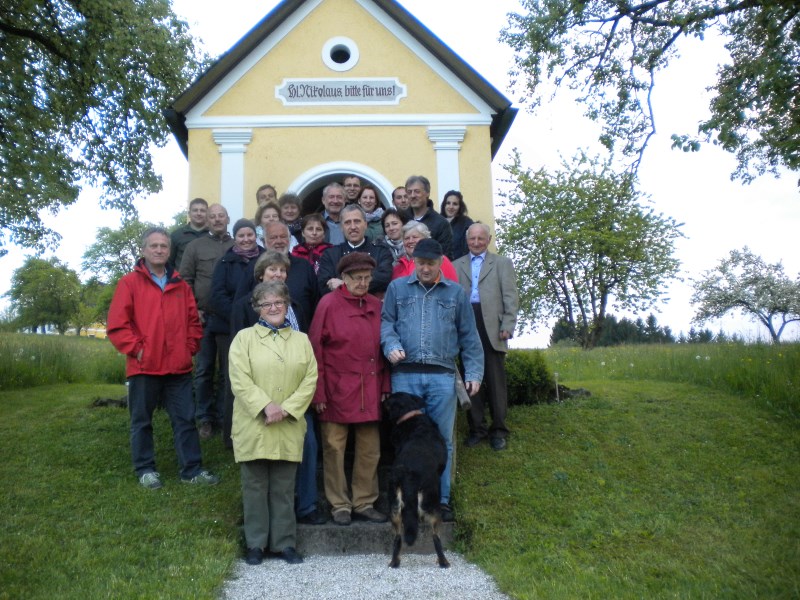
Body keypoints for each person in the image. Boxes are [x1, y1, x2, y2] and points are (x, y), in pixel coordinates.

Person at [107, 227, 219, 489]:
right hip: (144, 366)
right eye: (154, 246)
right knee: (141, 421)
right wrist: (138, 349)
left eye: (164, 246)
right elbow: (117, 325)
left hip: (177, 367)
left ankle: (191, 470)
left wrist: (188, 347)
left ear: (170, 251)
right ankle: (145, 469)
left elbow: (193, 321)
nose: (159, 250)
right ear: (143, 250)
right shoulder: (129, 283)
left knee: (185, 420)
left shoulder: (179, 284)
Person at [381, 238, 483, 522]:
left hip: (442, 377)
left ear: (441, 263)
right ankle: (405, 497)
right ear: (413, 261)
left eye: (431, 263)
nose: (425, 269)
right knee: (405, 441)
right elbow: (386, 322)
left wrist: (474, 372)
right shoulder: (397, 288)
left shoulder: (456, 294)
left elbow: (469, 336)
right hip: (405, 376)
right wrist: (390, 345)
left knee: (443, 441)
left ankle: (441, 499)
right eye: (421, 263)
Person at [230, 252, 326, 526]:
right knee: (260, 466)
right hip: (257, 402)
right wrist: (263, 404)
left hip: (293, 400)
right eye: (272, 270)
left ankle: (305, 507)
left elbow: (306, 357)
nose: (278, 274)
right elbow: (236, 364)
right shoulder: (244, 307)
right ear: (260, 274)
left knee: (306, 448)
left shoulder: (295, 306)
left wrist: (293, 404)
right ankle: (262, 523)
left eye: (283, 271)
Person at [309, 253, 389, 526]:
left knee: (370, 449)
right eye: (358, 278)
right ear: (343, 278)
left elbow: (386, 347)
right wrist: (318, 393)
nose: (364, 283)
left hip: (370, 387)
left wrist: (386, 385)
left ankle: (364, 501)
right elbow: (314, 351)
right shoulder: (327, 304)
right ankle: (339, 504)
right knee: (333, 449)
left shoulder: (377, 306)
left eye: (368, 278)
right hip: (336, 389)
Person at [454, 223, 519, 451]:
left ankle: (499, 430)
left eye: (481, 238)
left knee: (495, 381)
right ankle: (477, 429)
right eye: (472, 238)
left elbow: (511, 295)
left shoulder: (502, 263)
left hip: (492, 325)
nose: (476, 242)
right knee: (471, 379)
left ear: (488, 239)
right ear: (467, 240)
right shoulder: (456, 265)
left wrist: (508, 324)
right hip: (466, 323)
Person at [179, 204, 234, 440]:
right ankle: (204, 418)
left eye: (221, 215)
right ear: (208, 221)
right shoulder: (195, 246)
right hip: (202, 318)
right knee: (203, 370)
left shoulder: (236, 246)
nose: (217, 219)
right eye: (213, 216)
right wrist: (193, 311)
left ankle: (223, 417)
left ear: (228, 218)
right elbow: (184, 281)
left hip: (227, 319)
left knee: (227, 371)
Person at [209, 219, 265, 449]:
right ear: (235, 238)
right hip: (228, 328)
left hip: (261, 324)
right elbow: (217, 295)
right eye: (241, 236)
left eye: (250, 235)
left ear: (255, 236)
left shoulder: (264, 258)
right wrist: (238, 312)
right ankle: (231, 435)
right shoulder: (225, 262)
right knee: (233, 379)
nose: (246, 239)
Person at [237, 221, 319, 327]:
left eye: (283, 236)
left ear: (290, 239)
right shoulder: (253, 267)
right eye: (273, 237)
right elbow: (240, 305)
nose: (279, 241)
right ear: (264, 241)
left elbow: (316, 302)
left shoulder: (304, 266)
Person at [317, 204, 393, 297]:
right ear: (341, 227)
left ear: (365, 224)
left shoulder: (381, 252)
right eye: (348, 222)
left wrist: (343, 284)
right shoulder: (330, 254)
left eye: (357, 221)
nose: (353, 227)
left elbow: (383, 279)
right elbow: (324, 285)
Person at [404, 176, 454, 259]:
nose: (412, 195)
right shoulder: (402, 219)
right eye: (409, 192)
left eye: (417, 191)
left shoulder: (441, 223)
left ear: (427, 193)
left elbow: (445, 257)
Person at [392, 221, 458, 282]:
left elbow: (452, 289)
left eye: (415, 237)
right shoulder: (398, 266)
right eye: (407, 238)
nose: (410, 241)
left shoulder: (439, 260)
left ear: (426, 238)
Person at [170, 198, 209, 269]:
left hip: (206, 279)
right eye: (195, 210)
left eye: (202, 211)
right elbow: (169, 262)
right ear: (189, 214)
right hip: (182, 279)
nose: (199, 213)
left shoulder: (213, 235)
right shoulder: (176, 235)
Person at [440, 190, 474, 260]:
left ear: (460, 206)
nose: (451, 207)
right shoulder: (437, 221)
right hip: (438, 266)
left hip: (458, 265)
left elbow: (468, 249)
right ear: (444, 205)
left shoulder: (466, 223)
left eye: (455, 204)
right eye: (448, 203)